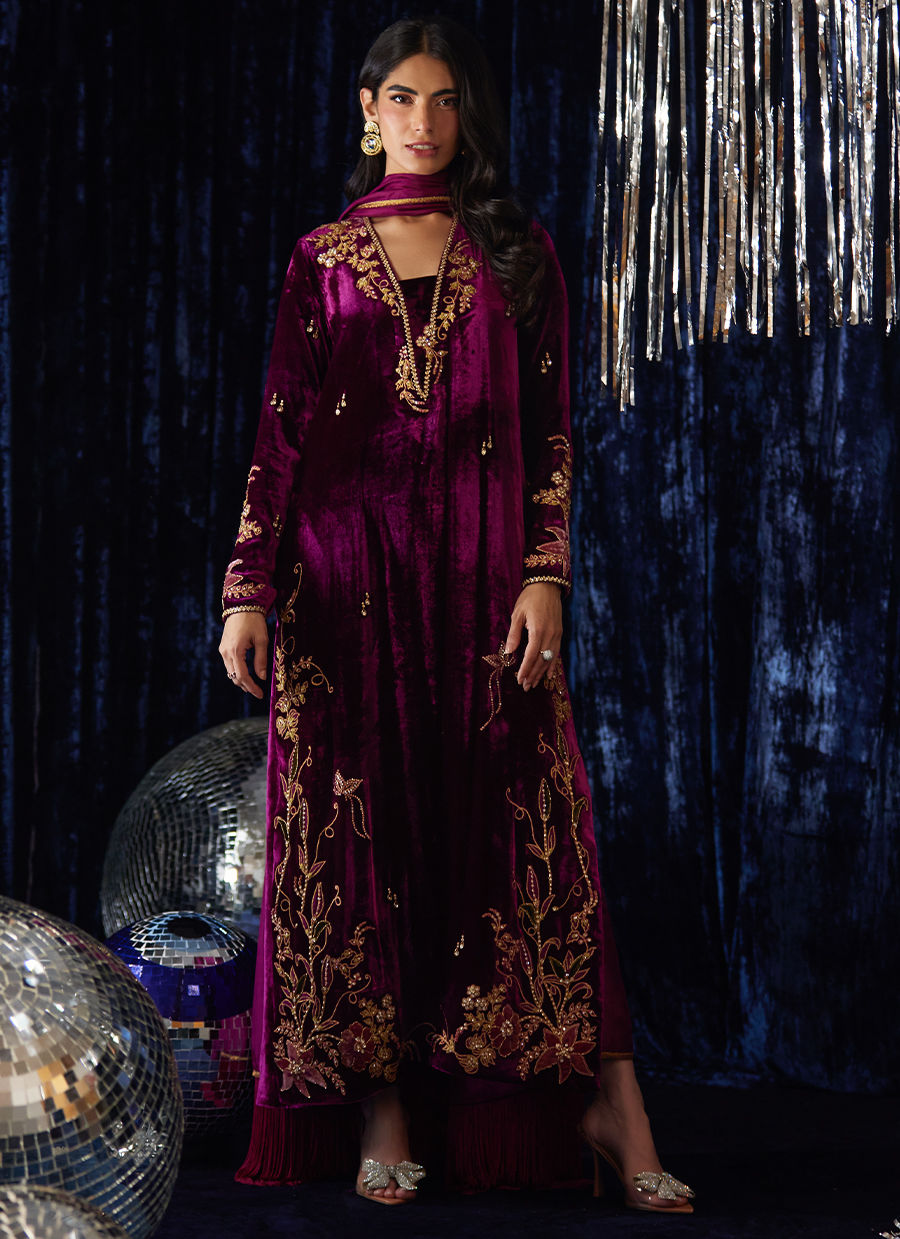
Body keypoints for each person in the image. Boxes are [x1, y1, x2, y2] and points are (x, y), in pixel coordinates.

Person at [218, 15, 693, 1213]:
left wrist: (547, 574)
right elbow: (280, 433)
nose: (424, 121)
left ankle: (611, 1106)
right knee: (360, 832)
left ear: (465, 115)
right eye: (403, 98)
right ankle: (380, 1105)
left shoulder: (515, 249)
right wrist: (248, 589)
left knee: (529, 828)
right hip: (341, 584)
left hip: (484, 579)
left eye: (445, 101)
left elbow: (554, 433)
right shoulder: (323, 257)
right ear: (367, 110)